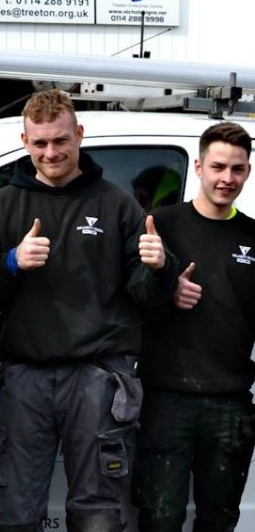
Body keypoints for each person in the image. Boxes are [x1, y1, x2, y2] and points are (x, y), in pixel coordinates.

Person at [0, 89, 179, 532]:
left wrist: (160, 268)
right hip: (24, 377)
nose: (51, 152)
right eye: (40, 143)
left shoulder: (116, 204)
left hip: (99, 377)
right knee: (10, 513)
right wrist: (11, 262)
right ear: (24, 141)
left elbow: (147, 298)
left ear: (79, 134)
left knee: (98, 515)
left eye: (61, 140)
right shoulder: (4, 205)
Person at [132, 122, 255, 532]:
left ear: (248, 171)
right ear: (199, 167)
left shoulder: (252, 236)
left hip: (231, 405)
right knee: (159, 520)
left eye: (237, 169)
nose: (227, 178)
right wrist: (167, 284)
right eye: (218, 167)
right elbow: (134, 300)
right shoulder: (161, 226)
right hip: (165, 400)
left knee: (218, 521)